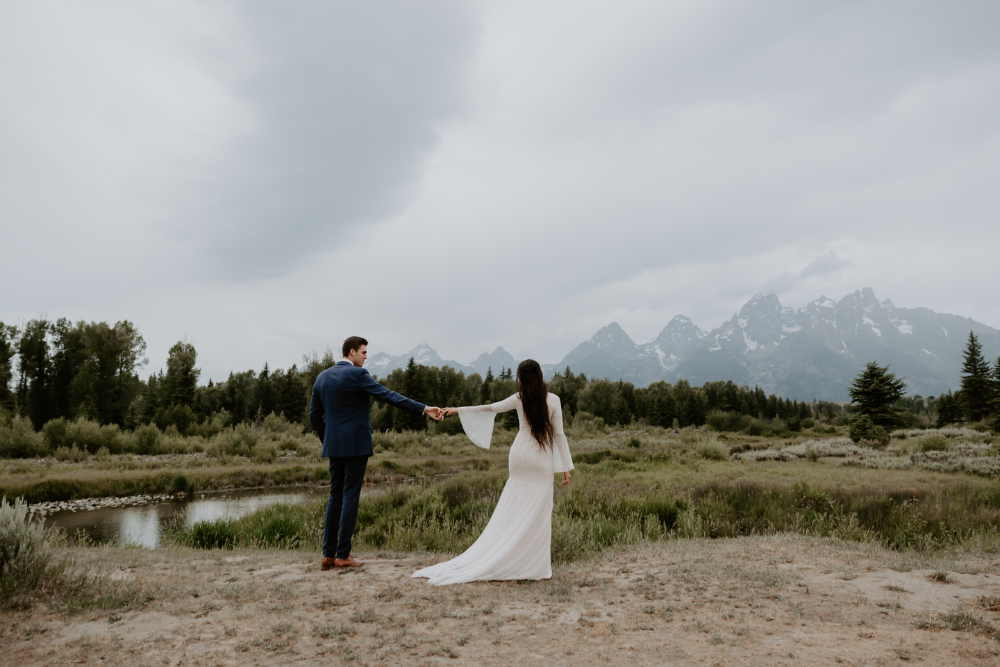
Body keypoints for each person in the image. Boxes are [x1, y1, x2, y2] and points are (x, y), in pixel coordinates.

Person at [412, 359, 574, 585]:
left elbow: (491, 408)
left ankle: (511, 558)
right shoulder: (554, 400)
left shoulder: (519, 398)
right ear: (540, 375)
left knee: (514, 509)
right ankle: (534, 566)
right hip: (540, 460)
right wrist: (565, 466)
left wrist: (459, 410)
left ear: (521, 378)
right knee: (539, 514)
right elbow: (558, 435)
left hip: (518, 456)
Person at [310, 336, 443, 570]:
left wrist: (329, 439)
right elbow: (389, 396)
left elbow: (314, 416)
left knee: (335, 495)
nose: (366, 357)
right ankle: (343, 555)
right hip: (356, 445)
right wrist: (424, 409)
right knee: (350, 495)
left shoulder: (322, 377)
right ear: (351, 352)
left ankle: (328, 555)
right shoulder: (358, 375)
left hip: (334, 446)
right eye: (363, 352)